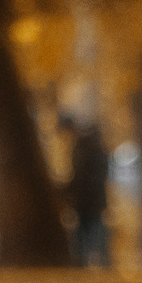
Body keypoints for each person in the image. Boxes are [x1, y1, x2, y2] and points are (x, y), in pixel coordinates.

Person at [61, 110, 113, 268]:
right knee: (87, 230)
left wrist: (72, 189)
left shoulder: (87, 147)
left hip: (90, 196)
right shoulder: (88, 145)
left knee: (92, 229)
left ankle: (98, 262)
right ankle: (88, 263)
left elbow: (83, 175)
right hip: (89, 197)